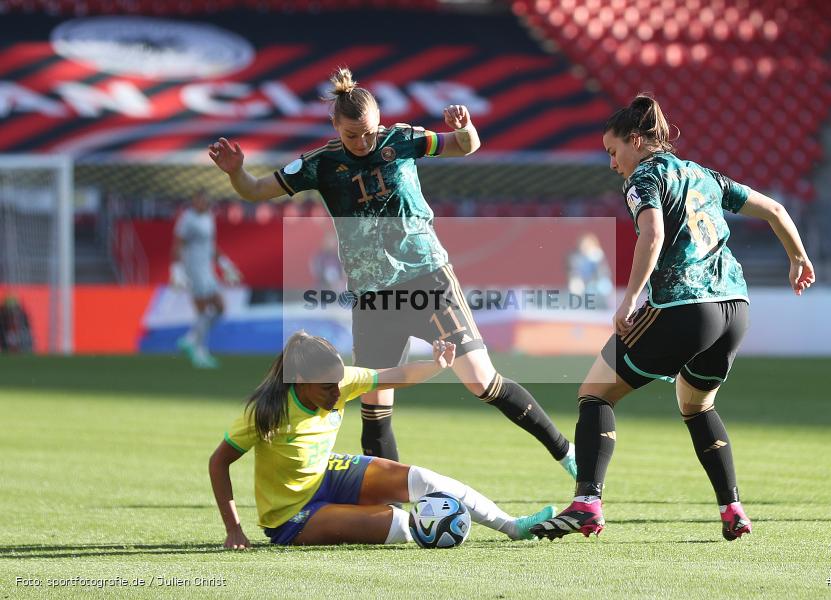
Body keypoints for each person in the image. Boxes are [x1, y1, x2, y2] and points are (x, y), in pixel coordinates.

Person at [209, 67, 576, 478]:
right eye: (353, 135)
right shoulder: (321, 163)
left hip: (427, 277)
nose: (363, 142)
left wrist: (467, 127)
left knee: (480, 381)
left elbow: (464, 146)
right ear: (335, 125)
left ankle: (566, 453)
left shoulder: (401, 139)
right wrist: (236, 173)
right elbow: (257, 190)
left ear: (379, 121)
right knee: (375, 403)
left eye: (369, 132)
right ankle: (391, 505)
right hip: (372, 296)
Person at [530, 95, 816, 542]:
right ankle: (732, 508)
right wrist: (798, 257)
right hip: (735, 309)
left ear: (637, 140)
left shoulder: (644, 177)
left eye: (613, 151)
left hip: (684, 306)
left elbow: (654, 232)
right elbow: (776, 210)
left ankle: (587, 503)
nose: (612, 163)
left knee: (594, 393)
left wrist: (630, 298)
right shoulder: (704, 175)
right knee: (697, 404)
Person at [208, 331, 555, 548]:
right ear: (300, 381)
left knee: (425, 480)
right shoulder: (267, 412)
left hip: (327, 474)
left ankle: (513, 526)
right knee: (403, 526)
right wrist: (234, 528)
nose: (336, 392)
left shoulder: (340, 381)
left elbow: (397, 375)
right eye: (327, 388)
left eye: (338, 384)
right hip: (291, 516)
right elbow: (218, 462)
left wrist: (437, 365)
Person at [170, 190, 242, 369]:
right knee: (202, 310)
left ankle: (189, 340)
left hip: (207, 269)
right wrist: (176, 271)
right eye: (199, 200)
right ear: (194, 201)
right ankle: (199, 352)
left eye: (205, 200)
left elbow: (210, 244)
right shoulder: (187, 219)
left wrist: (225, 264)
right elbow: (177, 245)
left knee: (220, 308)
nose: (202, 203)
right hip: (193, 269)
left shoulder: (209, 217)